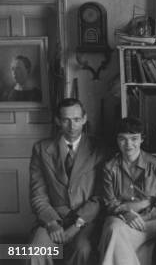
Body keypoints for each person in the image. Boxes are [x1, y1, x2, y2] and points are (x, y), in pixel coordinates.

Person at [28, 98, 106, 265]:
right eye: (66, 120)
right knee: (35, 251)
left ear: (84, 119)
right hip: (53, 217)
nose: (72, 126)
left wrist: (77, 225)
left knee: (82, 249)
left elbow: (100, 195)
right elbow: (37, 194)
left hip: (86, 220)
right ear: (57, 121)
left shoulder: (99, 149)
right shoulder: (41, 149)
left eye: (77, 120)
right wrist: (51, 222)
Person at [99, 117, 156, 265]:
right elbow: (109, 203)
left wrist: (141, 218)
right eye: (122, 139)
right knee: (114, 228)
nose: (128, 144)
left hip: (150, 221)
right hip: (120, 218)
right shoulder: (109, 167)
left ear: (142, 139)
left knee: (115, 233)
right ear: (117, 140)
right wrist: (126, 213)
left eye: (134, 139)